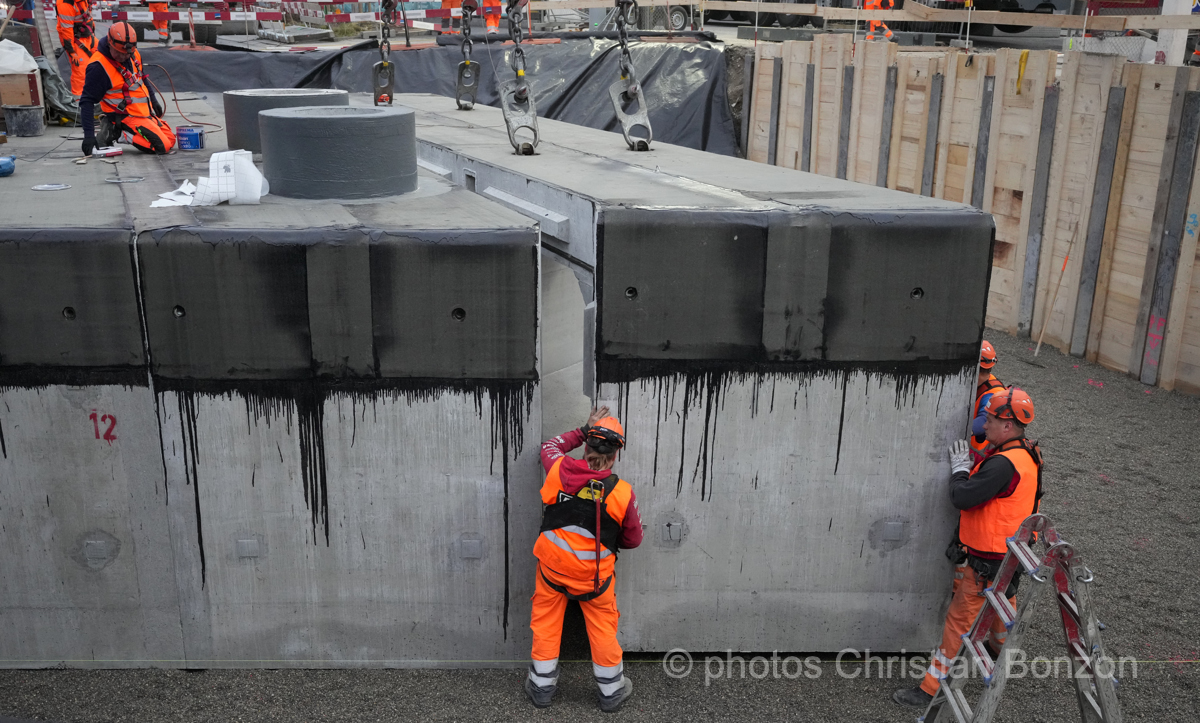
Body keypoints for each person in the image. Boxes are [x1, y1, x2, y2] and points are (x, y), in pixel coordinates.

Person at [893, 387, 1043, 708]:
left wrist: (960, 470)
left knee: (958, 622)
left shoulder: (1003, 464)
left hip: (989, 561)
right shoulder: (1026, 454)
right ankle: (999, 652)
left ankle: (930, 688)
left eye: (990, 420)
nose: (983, 425)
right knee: (1005, 608)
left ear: (1007, 425)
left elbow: (963, 497)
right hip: (1010, 555)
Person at [527, 406, 642, 713]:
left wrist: (581, 429)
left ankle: (541, 688)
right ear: (615, 455)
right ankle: (611, 692)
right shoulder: (622, 493)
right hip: (595, 581)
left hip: (551, 572)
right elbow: (633, 539)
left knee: (546, 625)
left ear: (587, 445)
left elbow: (549, 446)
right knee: (603, 629)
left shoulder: (558, 468)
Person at [79, 22, 176, 156]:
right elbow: (86, 101)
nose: (124, 57)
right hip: (125, 116)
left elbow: (142, 78)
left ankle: (123, 130)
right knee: (162, 146)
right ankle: (117, 132)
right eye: (120, 53)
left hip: (142, 113)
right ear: (110, 44)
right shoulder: (98, 67)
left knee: (171, 139)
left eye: (127, 54)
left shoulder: (133, 54)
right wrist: (88, 136)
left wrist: (153, 101)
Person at [969, 340, 1004, 463]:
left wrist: (957, 433)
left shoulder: (992, 393)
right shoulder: (975, 383)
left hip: (979, 455)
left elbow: (985, 419)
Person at [56, 0, 97, 96]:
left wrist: (92, 34)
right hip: (76, 41)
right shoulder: (66, 4)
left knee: (104, 60)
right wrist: (72, 51)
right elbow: (66, 30)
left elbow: (87, 16)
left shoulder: (81, 1)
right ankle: (79, 100)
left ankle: (96, 93)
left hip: (88, 37)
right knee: (81, 73)